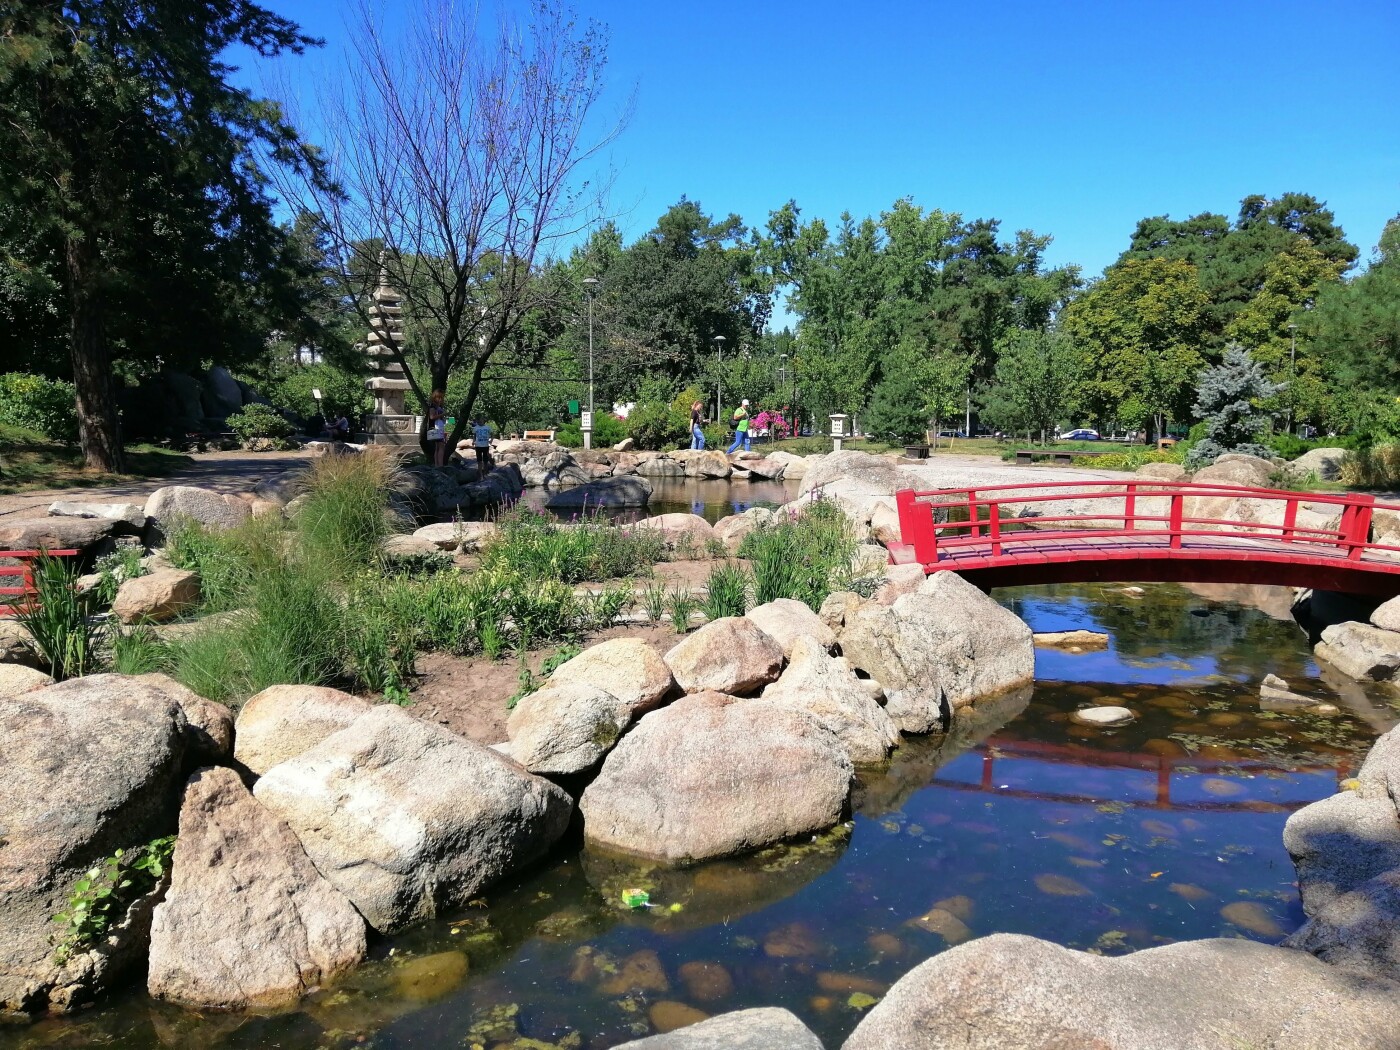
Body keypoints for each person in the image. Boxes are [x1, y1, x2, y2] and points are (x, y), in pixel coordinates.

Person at [426, 390, 448, 466]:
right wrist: (442, 415)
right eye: (438, 397)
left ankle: (437, 465)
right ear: (434, 398)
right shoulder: (433, 407)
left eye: (441, 398)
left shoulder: (439, 407)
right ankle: (439, 465)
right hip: (436, 428)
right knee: (440, 446)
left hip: (440, 427)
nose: (440, 399)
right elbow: (432, 417)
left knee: (438, 447)